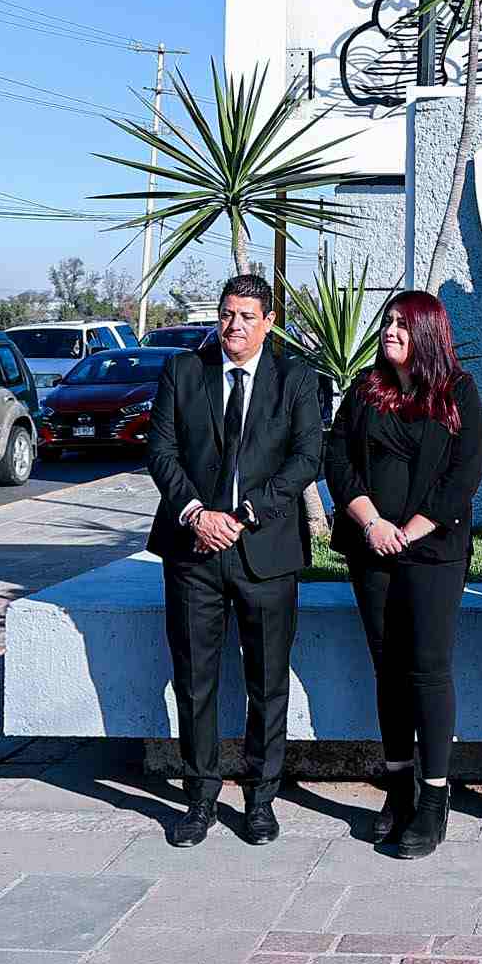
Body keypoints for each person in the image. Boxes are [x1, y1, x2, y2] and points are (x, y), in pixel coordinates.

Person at [146, 274, 323, 849]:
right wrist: (197, 513)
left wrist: (246, 514)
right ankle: (199, 797)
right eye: (227, 314)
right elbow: (161, 451)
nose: (234, 325)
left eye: (247, 316)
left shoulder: (295, 378)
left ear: (269, 322)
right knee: (194, 680)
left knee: (267, 683)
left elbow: (307, 458)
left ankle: (260, 799)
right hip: (193, 550)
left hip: (265, 552)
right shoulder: (183, 371)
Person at [325, 291, 482, 860]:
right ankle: (398, 790)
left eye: (403, 323)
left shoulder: (458, 392)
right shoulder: (365, 390)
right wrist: (372, 524)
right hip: (372, 549)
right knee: (388, 671)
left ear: (428, 333)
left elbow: (464, 473)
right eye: (388, 322)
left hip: (433, 553)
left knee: (427, 671)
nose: (391, 330)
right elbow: (338, 460)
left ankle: (434, 798)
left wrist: (410, 531)